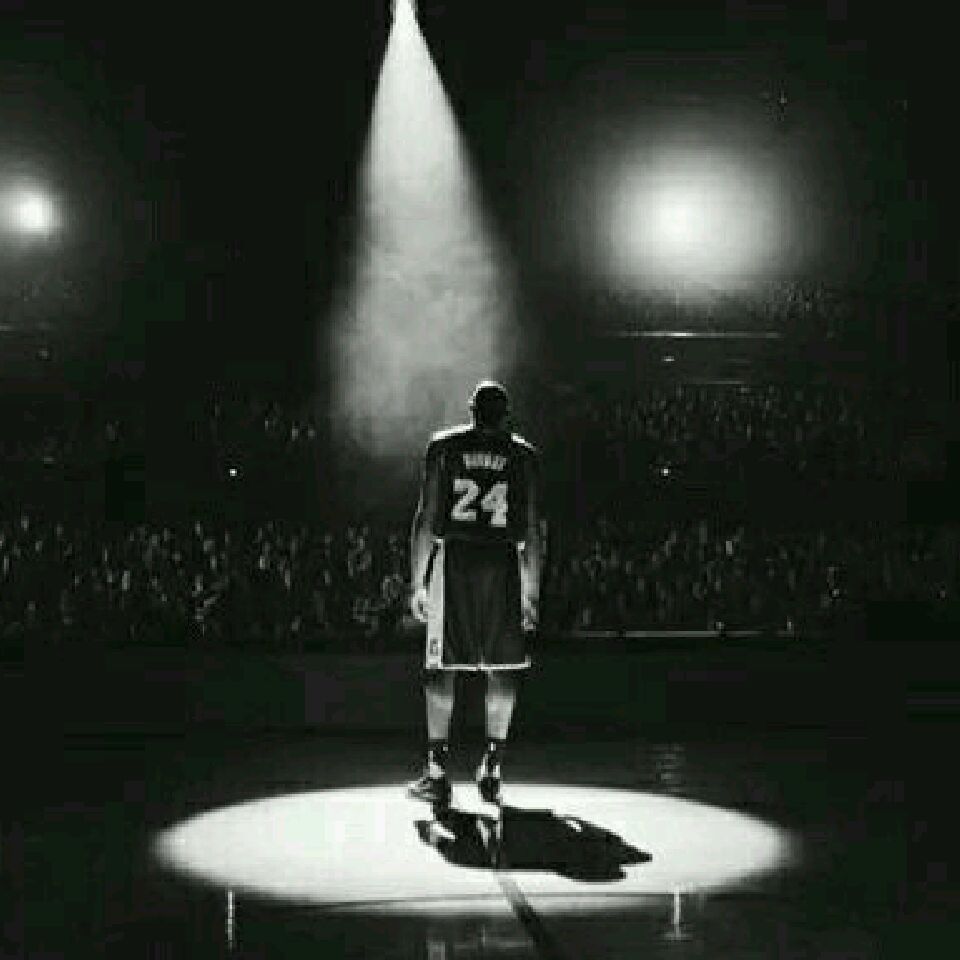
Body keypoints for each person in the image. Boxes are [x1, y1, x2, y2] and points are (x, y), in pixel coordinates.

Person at [406, 380, 541, 806]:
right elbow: (533, 529)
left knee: (440, 669)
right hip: (503, 563)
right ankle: (493, 765)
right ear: (506, 414)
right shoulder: (523, 455)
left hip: (456, 559)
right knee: (503, 670)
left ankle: (436, 771)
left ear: (471, 410)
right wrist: (531, 591)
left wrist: (418, 580)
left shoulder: (443, 447)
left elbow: (426, 517)